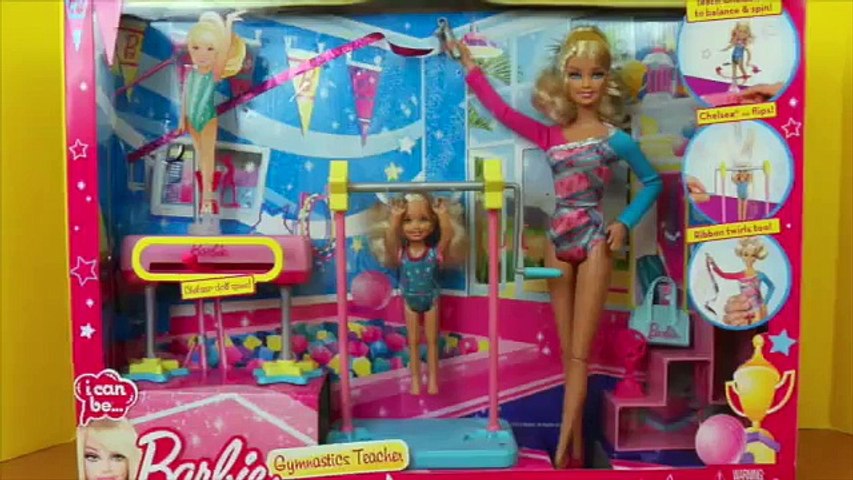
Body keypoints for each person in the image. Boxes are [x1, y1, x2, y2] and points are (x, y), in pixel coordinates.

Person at [446, 27, 662, 468]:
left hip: (595, 240)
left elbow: (653, 181)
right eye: (576, 74)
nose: (586, 84)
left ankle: (564, 450)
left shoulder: (614, 139)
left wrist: (624, 223)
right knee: (569, 356)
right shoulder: (550, 135)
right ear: (563, 79)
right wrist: (469, 66)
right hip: (556, 241)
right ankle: (577, 450)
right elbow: (501, 111)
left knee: (581, 353)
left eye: (596, 74)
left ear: (607, 79)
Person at [370, 194, 466, 395]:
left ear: (432, 224)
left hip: (431, 300)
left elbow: (447, 235)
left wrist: (442, 215)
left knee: (432, 342)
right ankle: (415, 381)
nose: (416, 227)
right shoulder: (401, 253)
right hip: (409, 301)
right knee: (412, 343)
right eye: (408, 220)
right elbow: (390, 241)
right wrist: (395, 218)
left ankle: (433, 380)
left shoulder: (433, 253)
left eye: (424, 219)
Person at [181, 11, 247, 233]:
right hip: (192, 120)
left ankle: (207, 203)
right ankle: (202, 203)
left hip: (207, 119)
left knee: (208, 161)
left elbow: (225, 49)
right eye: (196, 48)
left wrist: (228, 24)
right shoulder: (191, 74)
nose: (202, 54)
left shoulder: (213, 73)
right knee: (199, 161)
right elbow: (185, 97)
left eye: (210, 49)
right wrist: (182, 119)